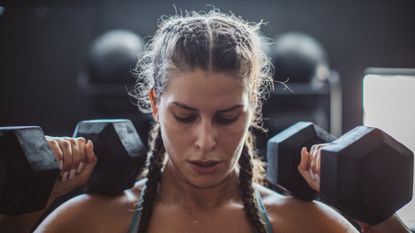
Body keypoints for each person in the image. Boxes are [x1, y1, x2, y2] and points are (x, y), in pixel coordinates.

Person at [33, 9, 411, 233]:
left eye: (227, 117)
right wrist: (34, 202)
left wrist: (373, 210)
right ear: (154, 104)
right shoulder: (94, 221)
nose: (205, 141)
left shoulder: (300, 223)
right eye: (184, 116)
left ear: (253, 108)